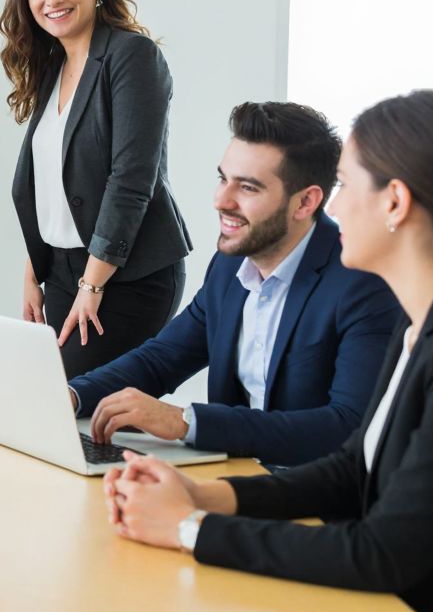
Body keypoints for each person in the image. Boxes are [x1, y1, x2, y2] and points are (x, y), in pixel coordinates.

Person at [106, 90, 433, 612]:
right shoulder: (422, 321)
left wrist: (189, 528)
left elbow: (384, 551)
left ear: (395, 203)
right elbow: (350, 469)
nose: (332, 209)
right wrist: (202, 495)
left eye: (347, 187)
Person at [67, 102, 399, 466]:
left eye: (248, 188)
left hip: (314, 494)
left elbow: (348, 426)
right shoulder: (229, 266)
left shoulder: (363, 282)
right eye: (223, 178)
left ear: (305, 202)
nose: (221, 201)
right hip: (236, 477)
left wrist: (185, 422)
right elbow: (160, 360)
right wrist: (71, 396)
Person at [0, 0, 191, 377]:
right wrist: (34, 266)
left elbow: (130, 180)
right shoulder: (55, 67)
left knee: (72, 402)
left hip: (128, 275)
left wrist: (93, 282)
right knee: (62, 406)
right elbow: (54, 182)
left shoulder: (132, 56)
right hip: (65, 273)